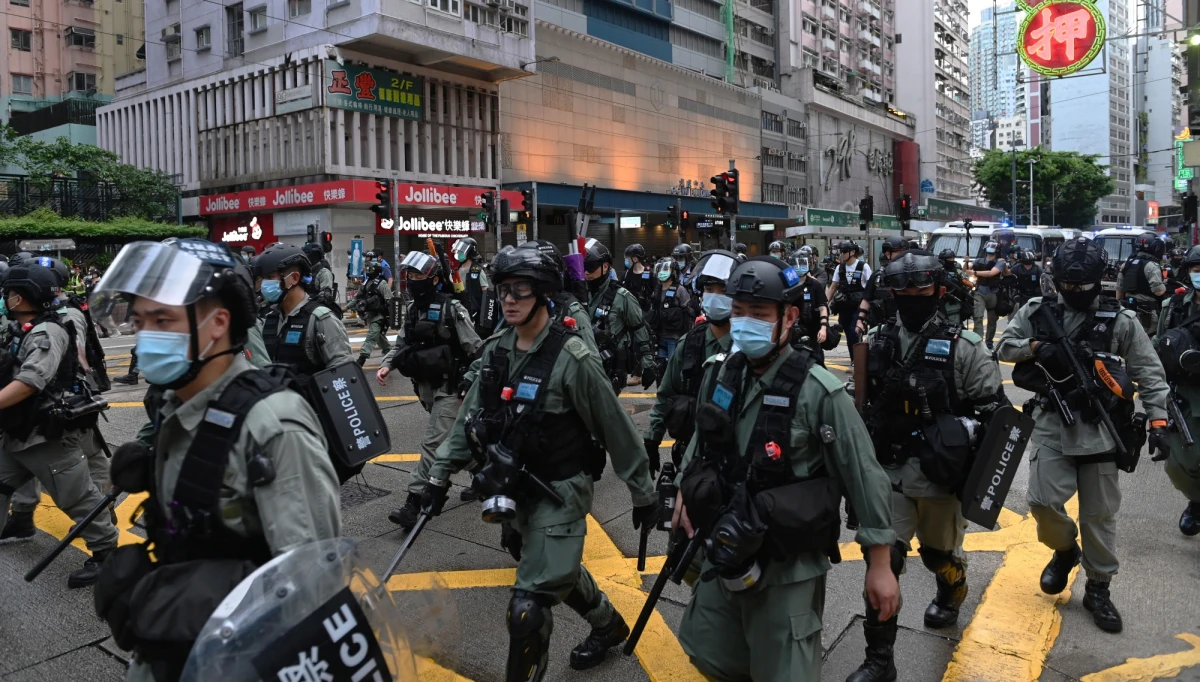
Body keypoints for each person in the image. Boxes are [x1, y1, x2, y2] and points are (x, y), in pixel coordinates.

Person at [88, 239, 341, 680]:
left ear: (218, 323)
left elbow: (309, 590)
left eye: (163, 319)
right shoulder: (177, 401)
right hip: (176, 644)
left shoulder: (272, 424)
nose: (146, 335)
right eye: (141, 320)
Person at [422, 245, 658, 681]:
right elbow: (466, 420)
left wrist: (643, 493)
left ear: (544, 292)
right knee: (538, 557)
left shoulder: (573, 358)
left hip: (561, 489)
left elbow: (615, 429)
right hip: (513, 486)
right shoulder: (497, 349)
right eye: (504, 289)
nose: (509, 298)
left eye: (521, 289)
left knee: (527, 609)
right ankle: (607, 623)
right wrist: (436, 479)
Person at [673, 256, 899, 680]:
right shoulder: (722, 374)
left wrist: (880, 563)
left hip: (787, 562)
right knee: (711, 653)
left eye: (758, 315)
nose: (743, 324)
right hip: (726, 542)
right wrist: (685, 492)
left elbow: (864, 475)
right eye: (737, 312)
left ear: (790, 316)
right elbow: (704, 442)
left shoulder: (820, 392)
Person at [999, 237, 1170, 634]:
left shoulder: (1120, 320)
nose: (1074, 293)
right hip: (1051, 423)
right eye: (1067, 286)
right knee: (1041, 501)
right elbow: (1006, 347)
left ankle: (1099, 587)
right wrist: (1036, 346)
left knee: (1099, 515)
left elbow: (1148, 371)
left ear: (1099, 280)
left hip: (1101, 429)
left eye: (1083, 286)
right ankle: (1064, 550)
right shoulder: (1036, 311)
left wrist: (1159, 421)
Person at [849, 252, 1006, 681]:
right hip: (889, 475)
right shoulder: (876, 340)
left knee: (939, 555)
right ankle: (879, 660)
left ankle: (952, 587)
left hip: (941, 476)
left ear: (938, 291)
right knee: (883, 559)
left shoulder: (965, 348)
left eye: (920, 290)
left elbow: (997, 416)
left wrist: (962, 437)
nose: (910, 298)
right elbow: (854, 404)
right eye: (902, 290)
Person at [0, 263, 119, 584]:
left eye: (10, 293)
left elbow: (30, 381)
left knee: (76, 497)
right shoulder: (25, 328)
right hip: (19, 431)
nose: (5, 298)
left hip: (45, 435)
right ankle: (20, 521)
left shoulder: (46, 331)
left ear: (22, 297)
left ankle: (107, 553)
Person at [379, 251, 482, 527]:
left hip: (451, 389)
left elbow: (477, 349)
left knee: (433, 443)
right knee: (453, 441)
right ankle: (484, 472)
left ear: (434, 279)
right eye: (408, 275)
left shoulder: (452, 309)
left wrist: (471, 381)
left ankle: (413, 503)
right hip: (425, 389)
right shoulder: (413, 311)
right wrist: (387, 365)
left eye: (417, 275)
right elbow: (401, 344)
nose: (411, 280)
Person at [644, 249, 736, 471]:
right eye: (708, 289)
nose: (713, 295)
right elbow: (666, 394)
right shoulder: (691, 343)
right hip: (691, 457)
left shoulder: (747, 343)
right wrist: (652, 438)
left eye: (722, 290)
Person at [254, 243, 354, 376]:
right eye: (264, 278)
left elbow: (344, 372)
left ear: (294, 278)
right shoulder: (270, 319)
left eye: (270, 278)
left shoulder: (321, 320)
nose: (265, 284)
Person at [1155, 244, 1200, 537]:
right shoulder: (1174, 307)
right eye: (1198, 271)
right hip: (1186, 395)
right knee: (1179, 461)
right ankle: (1196, 500)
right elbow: (1159, 347)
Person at [583, 239, 655, 393]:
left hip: (610, 365)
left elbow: (640, 330)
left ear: (606, 266)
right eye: (583, 267)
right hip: (583, 364)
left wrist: (648, 364)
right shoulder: (580, 294)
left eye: (590, 267)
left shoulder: (622, 297)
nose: (586, 272)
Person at [647, 257, 693, 383]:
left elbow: (688, 314)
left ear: (673, 271)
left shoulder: (680, 290)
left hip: (675, 337)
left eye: (666, 269)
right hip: (660, 337)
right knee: (660, 369)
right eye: (660, 269)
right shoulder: (656, 291)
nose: (662, 272)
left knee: (674, 369)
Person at [1117, 233, 1168, 337]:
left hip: (1127, 311)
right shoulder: (1152, 266)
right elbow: (1158, 292)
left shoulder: (1126, 264)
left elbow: (1119, 292)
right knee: (1148, 342)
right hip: (1147, 314)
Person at [787, 247, 831, 366]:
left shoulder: (814, 284)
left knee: (816, 360)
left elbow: (823, 307)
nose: (800, 267)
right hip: (791, 330)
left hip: (812, 329)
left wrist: (823, 328)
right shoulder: (787, 283)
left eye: (803, 264)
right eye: (797, 264)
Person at [857, 236, 907, 335]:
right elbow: (867, 298)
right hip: (880, 327)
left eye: (905, 251)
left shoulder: (912, 274)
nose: (904, 255)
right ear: (888, 254)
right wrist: (860, 320)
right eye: (899, 252)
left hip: (905, 327)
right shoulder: (877, 275)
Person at [827, 240, 871, 350]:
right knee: (847, 333)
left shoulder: (863, 267)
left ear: (852, 252)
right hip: (844, 307)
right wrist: (824, 304)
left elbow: (870, 287)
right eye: (840, 251)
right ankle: (854, 359)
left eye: (844, 251)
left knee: (854, 332)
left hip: (858, 307)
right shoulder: (840, 268)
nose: (841, 254)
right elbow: (833, 287)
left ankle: (858, 359)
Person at [453, 237, 495, 339]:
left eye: (461, 251)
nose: (458, 253)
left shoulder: (477, 270)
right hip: (461, 310)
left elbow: (486, 292)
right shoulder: (457, 270)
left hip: (475, 312)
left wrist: (485, 318)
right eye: (457, 251)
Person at [353, 261, 393, 367]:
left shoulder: (381, 284)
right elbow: (358, 297)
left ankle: (361, 359)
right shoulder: (367, 283)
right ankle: (391, 354)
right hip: (371, 315)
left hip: (380, 315)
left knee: (372, 336)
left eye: (370, 269)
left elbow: (390, 300)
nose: (368, 271)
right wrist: (347, 307)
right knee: (379, 337)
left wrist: (390, 316)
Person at [970, 241, 1007, 350]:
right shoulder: (978, 261)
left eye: (993, 248)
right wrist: (967, 262)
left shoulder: (1000, 262)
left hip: (993, 293)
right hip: (980, 292)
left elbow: (992, 273)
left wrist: (975, 273)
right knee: (978, 316)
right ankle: (978, 341)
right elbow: (967, 269)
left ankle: (989, 341)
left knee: (992, 319)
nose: (990, 250)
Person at [303, 242, 340, 314]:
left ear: (314, 256)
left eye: (307, 255)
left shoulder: (324, 273)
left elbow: (324, 296)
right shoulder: (305, 271)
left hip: (317, 310)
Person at [621, 244, 656, 312]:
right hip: (629, 312)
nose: (625, 261)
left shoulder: (650, 274)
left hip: (646, 313)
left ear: (635, 259)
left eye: (627, 258)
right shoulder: (625, 275)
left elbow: (656, 293)